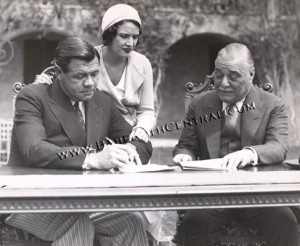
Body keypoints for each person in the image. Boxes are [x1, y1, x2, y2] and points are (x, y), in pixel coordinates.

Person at [6, 37, 152, 246]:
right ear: (58, 73)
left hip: (81, 201)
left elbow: (140, 142)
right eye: (80, 76)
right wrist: (92, 159)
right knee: (78, 223)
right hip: (28, 200)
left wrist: (130, 149)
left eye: (94, 74)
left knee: (130, 221)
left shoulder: (102, 101)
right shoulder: (32, 97)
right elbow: (34, 149)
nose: (90, 83)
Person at [173, 43, 299, 246]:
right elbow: (186, 145)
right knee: (192, 224)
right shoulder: (199, 104)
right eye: (218, 75)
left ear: (251, 74)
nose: (223, 83)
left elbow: (278, 147)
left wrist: (249, 153)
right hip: (212, 195)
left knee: (285, 222)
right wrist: (184, 155)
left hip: (259, 195)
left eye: (233, 77)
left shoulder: (273, 105)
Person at [35, 3, 156, 143]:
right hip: (93, 132)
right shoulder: (90, 58)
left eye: (135, 37)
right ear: (110, 34)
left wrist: (141, 129)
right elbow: (62, 80)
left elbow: (147, 110)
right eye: (124, 36)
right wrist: (43, 84)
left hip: (129, 134)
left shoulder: (143, 64)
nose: (131, 43)